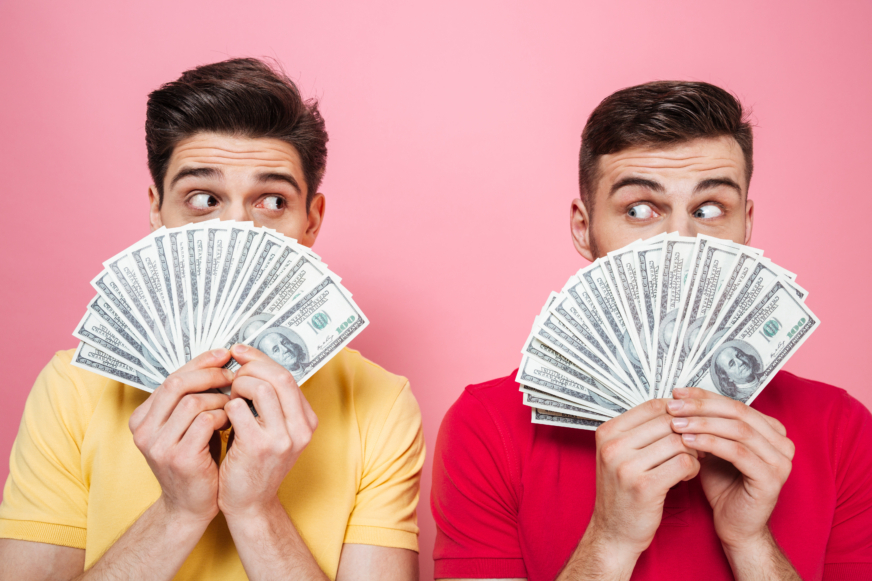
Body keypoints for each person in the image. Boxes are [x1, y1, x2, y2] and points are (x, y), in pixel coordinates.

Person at [0, 58, 424, 581]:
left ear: (311, 220)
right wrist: (178, 512)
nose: (237, 232)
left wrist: (256, 511)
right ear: (157, 209)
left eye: (272, 201)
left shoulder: (379, 403)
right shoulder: (73, 388)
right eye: (203, 199)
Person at [431, 81, 872, 580]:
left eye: (709, 210)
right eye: (639, 209)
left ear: (745, 225)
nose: (679, 241)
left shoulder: (843, 430)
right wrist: (610, 540)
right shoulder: (488, 427)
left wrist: (750, 542)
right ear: (584, 227)